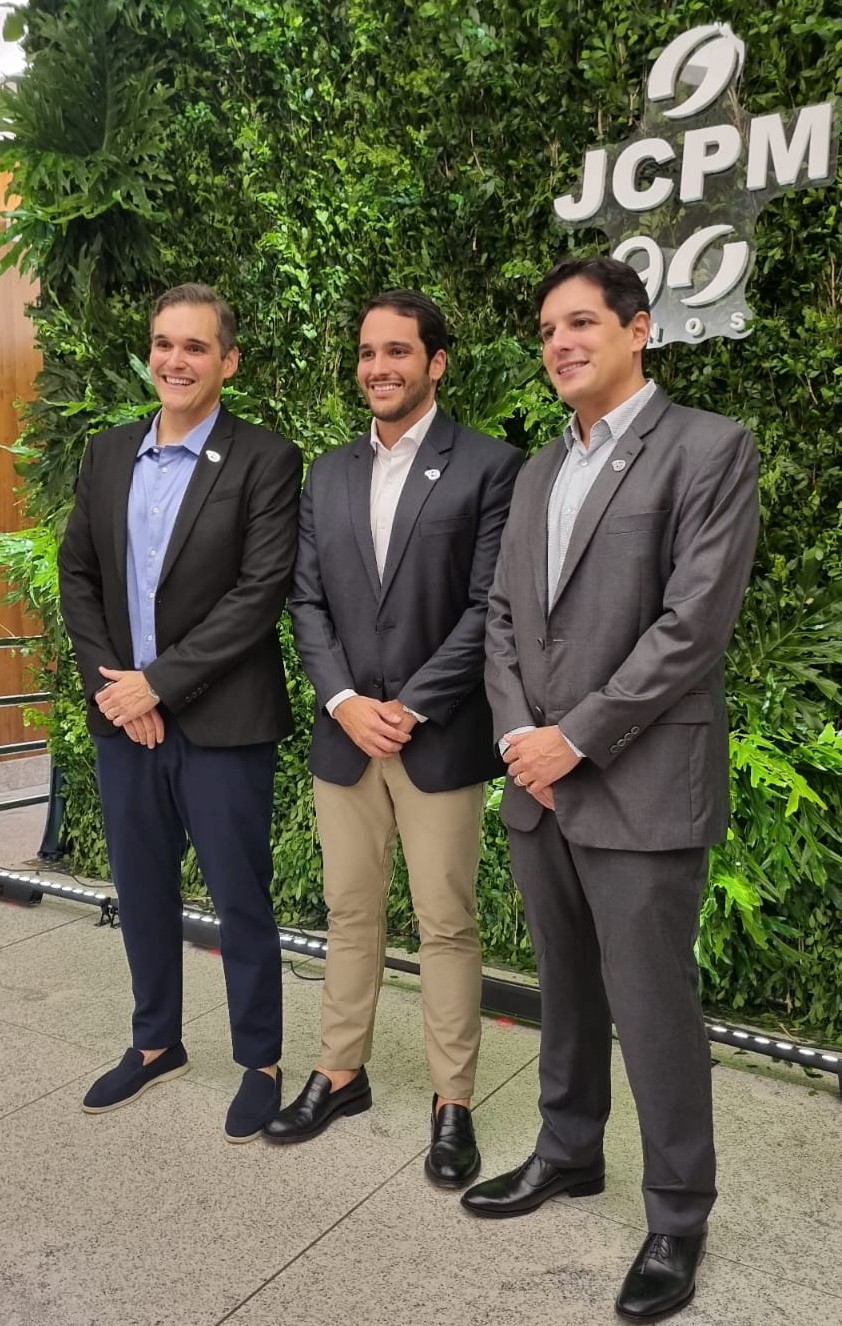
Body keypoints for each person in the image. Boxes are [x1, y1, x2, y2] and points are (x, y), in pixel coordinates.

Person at [463, 256, 759, 1321]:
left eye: (581, 322)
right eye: (548, 328)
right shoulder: (540, 468)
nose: (560, 343)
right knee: (566, 989)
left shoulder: (709, 447)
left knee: (652, 1006)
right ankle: (568, 1150)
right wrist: (518, 737)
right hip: (536, 783)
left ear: (639, 331)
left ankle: (677, 1215)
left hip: (638, 783)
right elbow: (503, 616)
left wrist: (574, 740)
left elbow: (692, 626)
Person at [263, 289, 523, 1187]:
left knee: (446, 923)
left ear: (436, 363)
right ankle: (341, 1074)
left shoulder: (490, 467)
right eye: (369, 352)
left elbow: (488, 608)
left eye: (398, 351)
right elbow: (305, 601)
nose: (379, 367)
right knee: (349, 913)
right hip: (346, 739)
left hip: (434, 739)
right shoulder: (327, 473)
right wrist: (341, 699)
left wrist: (408, 706)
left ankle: (453, 1102)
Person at [58, 283, 302, 1142]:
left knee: (241, 898)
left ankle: (261, 1060)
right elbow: (78, 575)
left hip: (223, 723)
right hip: (123, 723)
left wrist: (156, 684)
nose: (175, 360)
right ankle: (156, 1041)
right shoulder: (108, 452)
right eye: (164, 343)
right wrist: (115, 689)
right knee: (141, 889)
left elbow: (258, 594)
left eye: (195, 346)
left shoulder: (266, 459)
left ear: (228, 361)